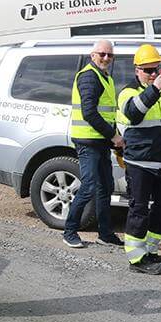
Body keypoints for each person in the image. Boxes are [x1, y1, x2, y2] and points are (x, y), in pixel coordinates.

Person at [117, 44, 161, 274]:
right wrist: (153, 88)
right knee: (140, 209)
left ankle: (150, 250)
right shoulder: (129, 92)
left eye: (157, 69)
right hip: (141, 164)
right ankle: (136, 258)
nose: (154, 74)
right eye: (148, 70)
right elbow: (134, 114)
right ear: (137, 71)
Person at [62, 39, 125, 249]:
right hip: (88, 142)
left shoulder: (104, 77)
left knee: (105, 187)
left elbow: (108, 115)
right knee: (88, 186)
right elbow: (89, 113)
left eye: (109, 55)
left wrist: (114, 139)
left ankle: (105, 234)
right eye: (102, 54)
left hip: (100, 141)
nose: (106, 58)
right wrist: (113, 136)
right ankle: (69, 231)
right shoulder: (89, 76)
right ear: (92, 55)